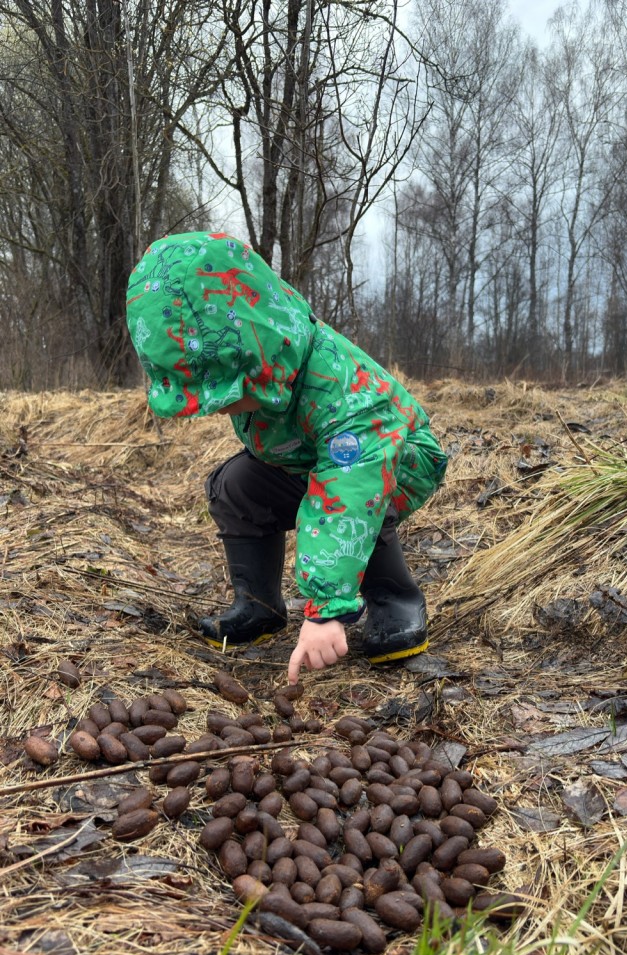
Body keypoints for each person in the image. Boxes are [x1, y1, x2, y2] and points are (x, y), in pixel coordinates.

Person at [126, 231, 448, 683]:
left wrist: (324, 610)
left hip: (395, 459)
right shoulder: (270, 375)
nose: (217, 408)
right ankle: (259, 606)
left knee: (354, 490)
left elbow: (350, 485)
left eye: (224, 391)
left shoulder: (338, 387)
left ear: (257, 348)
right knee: (235, 485)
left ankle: (395, 600)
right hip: (310, 461)